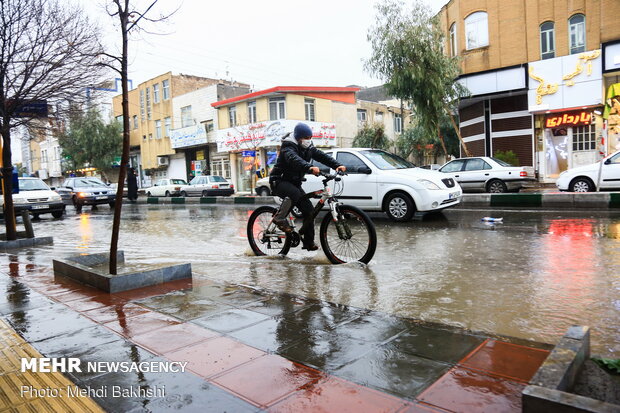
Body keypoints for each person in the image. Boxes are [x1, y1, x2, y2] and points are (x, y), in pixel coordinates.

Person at [269, 123, 346, 251]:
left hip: (295, 183)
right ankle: (279, 218)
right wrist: (309, 167)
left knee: (309, 210)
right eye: (305, 137)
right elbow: (293, 159)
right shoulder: (288, 147)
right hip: (279, 181)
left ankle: (309, 242)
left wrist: (337, 165)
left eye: (310, 137)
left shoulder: (309, 147)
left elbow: (322, 156)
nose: (308, 140)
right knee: (295, 194)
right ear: (298, 137)